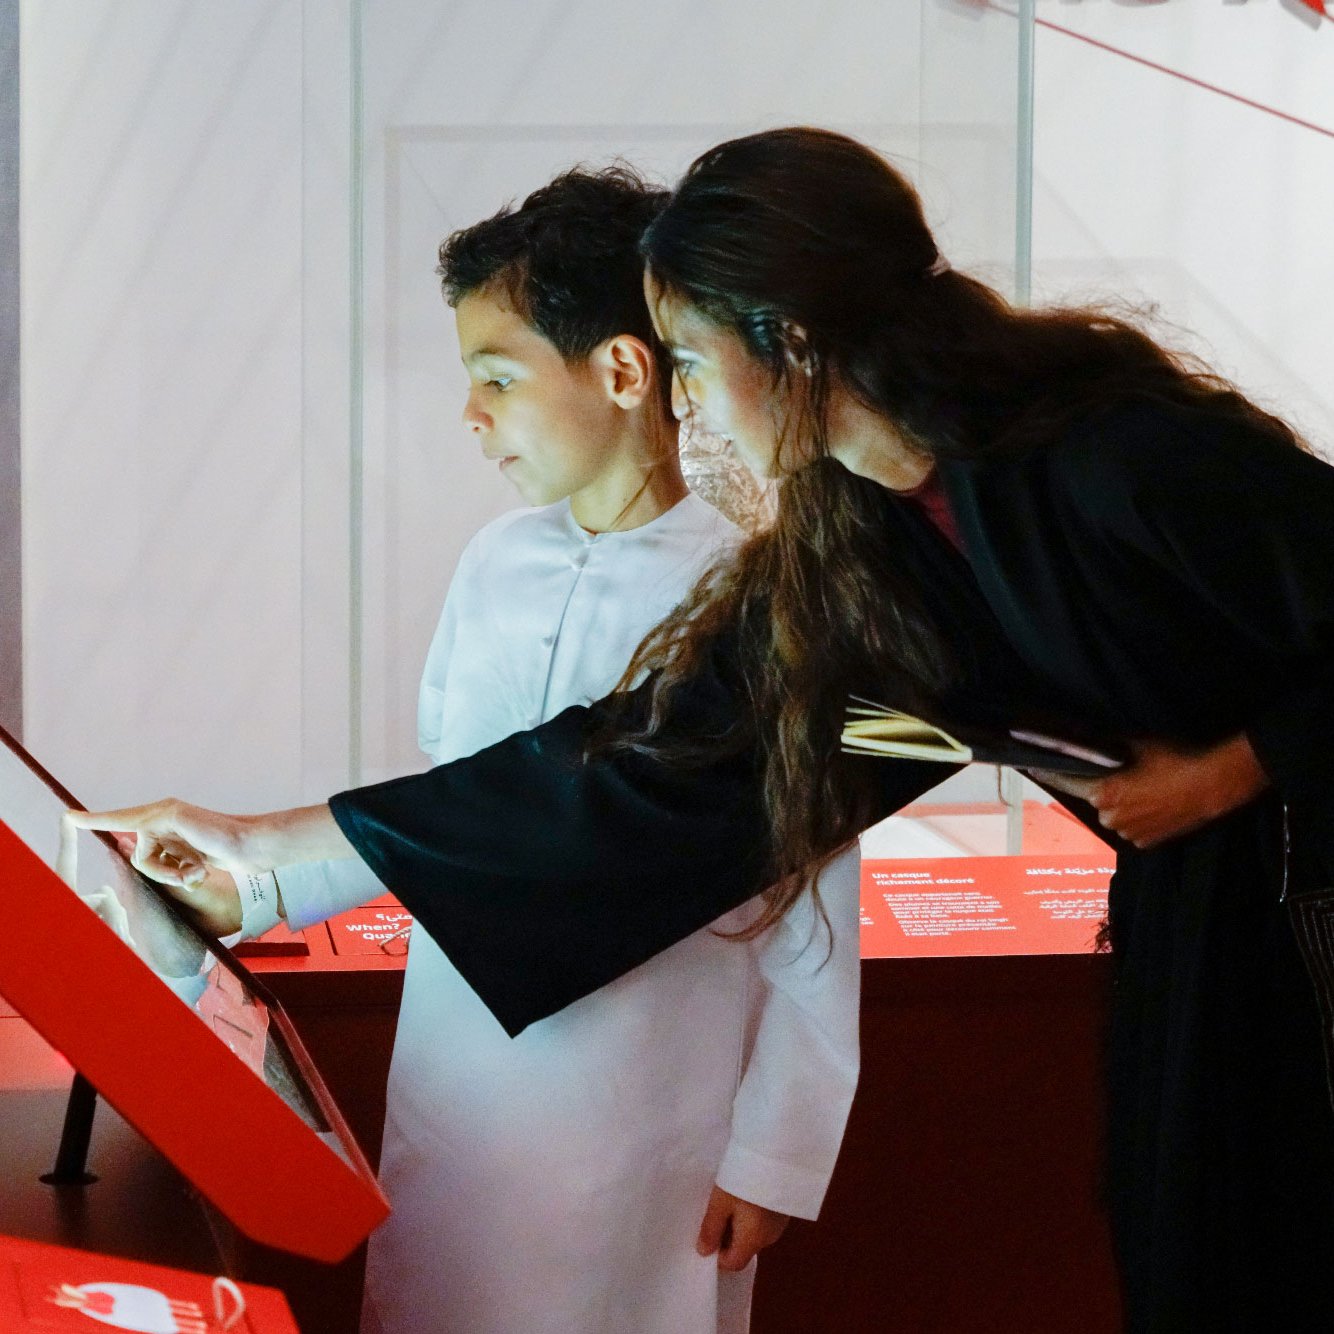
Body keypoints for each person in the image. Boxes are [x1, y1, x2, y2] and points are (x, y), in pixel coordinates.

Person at [74, 128, 1334, 1332]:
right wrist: (277, 856)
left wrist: (1240, 767)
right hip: (1200, 916)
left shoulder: (1121, 461)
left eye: (685, 356)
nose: (686, 404)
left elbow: (811, 869)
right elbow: (692, 767)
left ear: (784, 337)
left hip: (1295, 907)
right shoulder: (878, 547)